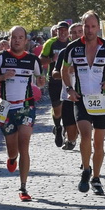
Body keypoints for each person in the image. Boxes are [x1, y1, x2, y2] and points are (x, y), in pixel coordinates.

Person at [0, 26, 46, 202]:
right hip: (6, 108)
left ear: (26, 40)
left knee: (24, 144)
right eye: (14, 37)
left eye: (20, 37)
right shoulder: (0, 58)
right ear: (9, 39)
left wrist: (41, 81)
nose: (17, 40)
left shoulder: (33, 60)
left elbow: (40, 81)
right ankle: (12, 158)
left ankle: (23, 187)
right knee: (12, 149)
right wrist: (0, 77)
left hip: (26, 107)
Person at [61, 10, 105, 196]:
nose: (89, 30)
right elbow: (64, 71)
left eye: (93, 26)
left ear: (98, 27)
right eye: (86, 26)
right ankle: (85, 169)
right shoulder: (72, 47)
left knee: (99, 143)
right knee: (85, 135)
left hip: (101, 100)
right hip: (81, 99)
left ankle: (96, 177)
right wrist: (69, 90)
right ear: (82, 26)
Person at [41, 21, 74, 150]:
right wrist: (51, 60)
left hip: (68, 80)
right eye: (60, 30)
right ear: (57, 31)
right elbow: (41, 59)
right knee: (57, 109)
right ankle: (58, 127)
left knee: (67, 109)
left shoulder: (72, 43)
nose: (62, 32)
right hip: (54, 80)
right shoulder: (50, 43)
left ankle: (67, 133)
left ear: (68, 32)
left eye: (65, 30)